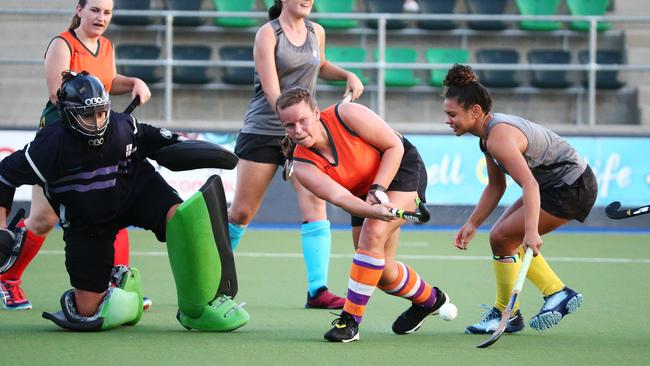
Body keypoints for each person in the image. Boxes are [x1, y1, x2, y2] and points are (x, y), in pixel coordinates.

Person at [0, 71, 248, 332]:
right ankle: (126, 290)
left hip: (135, 192)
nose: (96, 122)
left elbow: (157, 140)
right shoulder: (49, 145)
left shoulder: (121, 126)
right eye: (87, 115)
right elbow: (5, 174)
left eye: (100, 112)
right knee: (87, 313)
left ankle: (200, 308)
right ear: (69, 115)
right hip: (88, 221)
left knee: (180, 217)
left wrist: (192, 146)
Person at [0, 0, 151, 311]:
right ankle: (7, 278)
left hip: (96, 141)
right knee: (43, 219)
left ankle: (114, 283)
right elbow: (61, 93)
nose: (101, 17)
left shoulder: (106, 45)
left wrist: (133, 83)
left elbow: (107, 82)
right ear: (80, 9)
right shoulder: (62, 44)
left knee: (113, 208)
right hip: (58, 142)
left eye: (107, 12)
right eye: (94, 10)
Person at [275, 87, 451, 342]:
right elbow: (342, 198)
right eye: (289, 125)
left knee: (372, 235)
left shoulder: (346, 114)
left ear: (315, 113)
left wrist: (379, 188)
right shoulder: (302, 166)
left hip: (400, 167)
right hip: (361, 194)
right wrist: (373, 208)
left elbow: (393, 146)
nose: (298, 130)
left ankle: (350, 321)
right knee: (382, 272)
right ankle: (430, 300)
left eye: (303, 120)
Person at [442, 64, 598, 334]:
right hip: (555, 185)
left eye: (452, 114)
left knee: (504, 237)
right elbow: (495, 186)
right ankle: (543, 299)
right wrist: (472, 223)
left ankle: (527, 305)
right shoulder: (488, 137)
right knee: (500, 237)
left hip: (571, 186)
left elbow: (529, 184)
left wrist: (531, 232)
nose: (447, 120)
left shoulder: (498, 137)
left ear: (475, 111)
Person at [228, 0, 364, 309]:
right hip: (264, 130)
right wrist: (295, 122)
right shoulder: (268, 34)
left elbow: (321, 65)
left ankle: (318, 291)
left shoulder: (318, 31)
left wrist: (347, 74)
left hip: (303, 133)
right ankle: (211, 278)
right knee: (241, 213)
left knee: (315, 206)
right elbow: (273, 92)